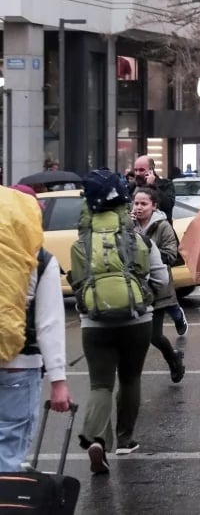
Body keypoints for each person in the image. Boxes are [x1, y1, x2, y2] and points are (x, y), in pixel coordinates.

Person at [72, 169, 168, 474]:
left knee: (100, 384)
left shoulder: (81, 244)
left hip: (94, 324)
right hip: (136, 322)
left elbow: (77, 285)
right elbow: (162, 279)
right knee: (130, 379)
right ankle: (126, 439)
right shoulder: (138, 239)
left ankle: (96, 438)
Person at [0, 187, 71, 473]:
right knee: (9, 446)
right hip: (20, 365)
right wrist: (58, 381)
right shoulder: (40, 260)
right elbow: (49, 323)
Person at [131, 187, 187, 383]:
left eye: (144, 204)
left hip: (158, 290)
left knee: (154, 336)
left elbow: (171, 256)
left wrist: (147, 250)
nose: (139, 208)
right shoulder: (129, 226)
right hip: (135, 290)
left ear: (154, 206)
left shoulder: (163, 226)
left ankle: (173, 358)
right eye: (136, 203)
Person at [133, 155, 177, 222]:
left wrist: (152, 185)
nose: (137, 173)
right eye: (136, 170)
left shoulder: (166, 184)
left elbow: (167, 205)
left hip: (159, 229)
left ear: (151, 169)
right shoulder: (132, 187)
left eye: (141, 170)